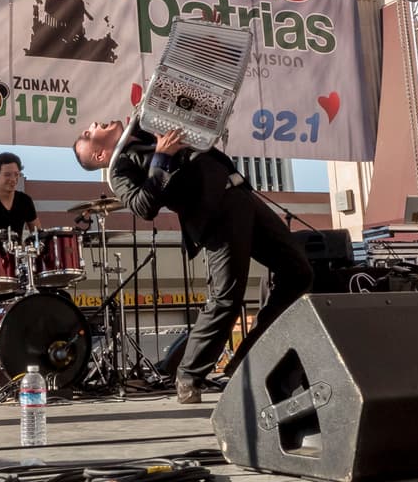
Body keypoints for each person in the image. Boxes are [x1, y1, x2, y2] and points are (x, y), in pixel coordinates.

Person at [73, 120, 312, 404]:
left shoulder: (146, 127)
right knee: (226, 298)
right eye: (89, 133)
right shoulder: (119, 169)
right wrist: (162, 157)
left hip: (240, 196)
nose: (93, 124)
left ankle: (249, 356)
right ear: (100, 155)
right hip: (215, 214)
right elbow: (142, 206)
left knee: (299, 273)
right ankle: (188, 376)